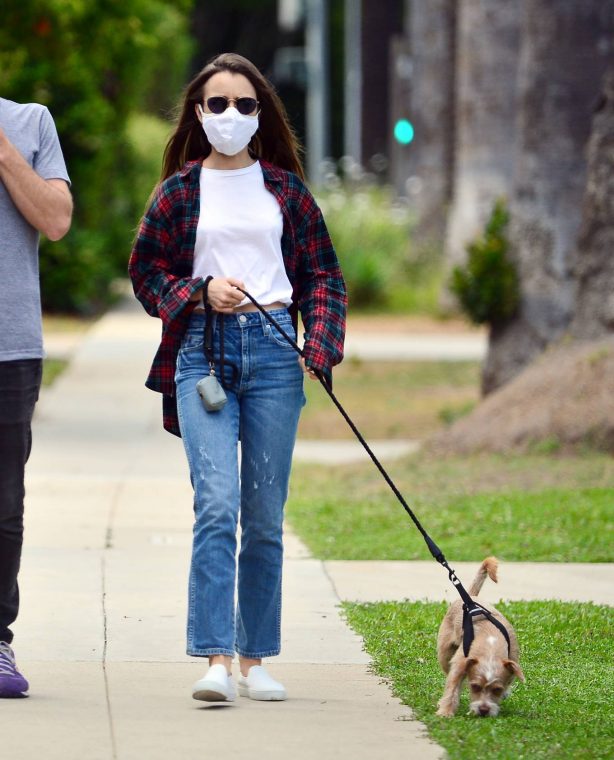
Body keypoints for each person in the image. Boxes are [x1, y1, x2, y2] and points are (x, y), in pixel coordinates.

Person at [129, 53, 346, 703]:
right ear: (198, 112)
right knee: (217, 504)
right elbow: (146, 273)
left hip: (278, 356)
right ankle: (216, 661)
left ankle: (255, 662)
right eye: (217, 104)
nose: (230, 115)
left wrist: (321, 346)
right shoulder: (177, 192)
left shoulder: (285, 191)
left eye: (244, 105)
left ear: (261, 116)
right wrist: (198, 291)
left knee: (264, 515)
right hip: (203, 353)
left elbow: (324, 276)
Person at [0, 97, 72, 697]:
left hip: (10, 345)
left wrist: (2, 152)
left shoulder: (30, 123)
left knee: (3, 505)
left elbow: (55, 219)